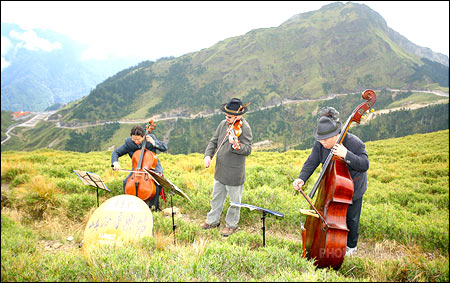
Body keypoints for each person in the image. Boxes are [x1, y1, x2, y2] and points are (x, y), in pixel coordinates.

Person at [292, 107, 369, 256]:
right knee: (330, 215)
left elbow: (364, 164)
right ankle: (329, 241)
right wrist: (301, 178)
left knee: (351, 218)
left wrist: (346, 154)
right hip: (332, 186)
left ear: (336, 134)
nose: (322, 143)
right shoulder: (321, 144)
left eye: (325, 140)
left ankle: (351, 247)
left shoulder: (354, 143)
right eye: (320, 140)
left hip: (353, 187)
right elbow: (312, 161)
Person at [202, 98, 253, 237]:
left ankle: (231, 225)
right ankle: (213, 221)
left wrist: (235, 144)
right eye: (226, 115)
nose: (226, 118)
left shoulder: (245, 128)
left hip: (234, 172)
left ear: (238, 116)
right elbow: (213, 141)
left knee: (234, 202)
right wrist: (208, 155)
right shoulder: (223, 124)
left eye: (229, 117)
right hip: (220, 169)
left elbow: (247, 149)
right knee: (216, 198)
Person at [111, 125, 168, 211]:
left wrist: (154, 143)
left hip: (152, 167)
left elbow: (164, 148)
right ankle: (130, 204)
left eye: (138, 139)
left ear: (143, 136)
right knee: (126, 182)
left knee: (156, 183)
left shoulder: (150, 138)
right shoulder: (129, 143)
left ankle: (154, 207)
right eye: (134, 139)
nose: (136, 141)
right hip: (137, 169)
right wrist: (115, 162)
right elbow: (116, 152)